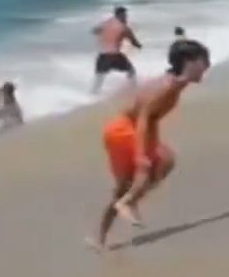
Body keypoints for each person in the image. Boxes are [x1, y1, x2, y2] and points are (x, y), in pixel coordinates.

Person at [87, 39, 210, 252]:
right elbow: (144, 116)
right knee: (139, 175)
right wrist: (142, 158)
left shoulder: (175, 82)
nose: (207, 65)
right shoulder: (169, 85)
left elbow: (149, 116)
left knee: (164, 162)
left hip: (137, 128)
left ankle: (121, 210)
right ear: (189, 62)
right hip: (124, 130)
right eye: (203, 60)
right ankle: (123, 206)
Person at [92, 6, 142, 94]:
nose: (126, 17)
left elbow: (94, 31)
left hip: (102, 55)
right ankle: (133, 92)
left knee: (99, 77)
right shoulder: (124, 28)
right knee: (131, 71)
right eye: (125, 15)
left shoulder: (105, 24)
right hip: (114, 55)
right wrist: (139, 46)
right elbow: (134, 42)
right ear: (120, 15)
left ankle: (92, 95)